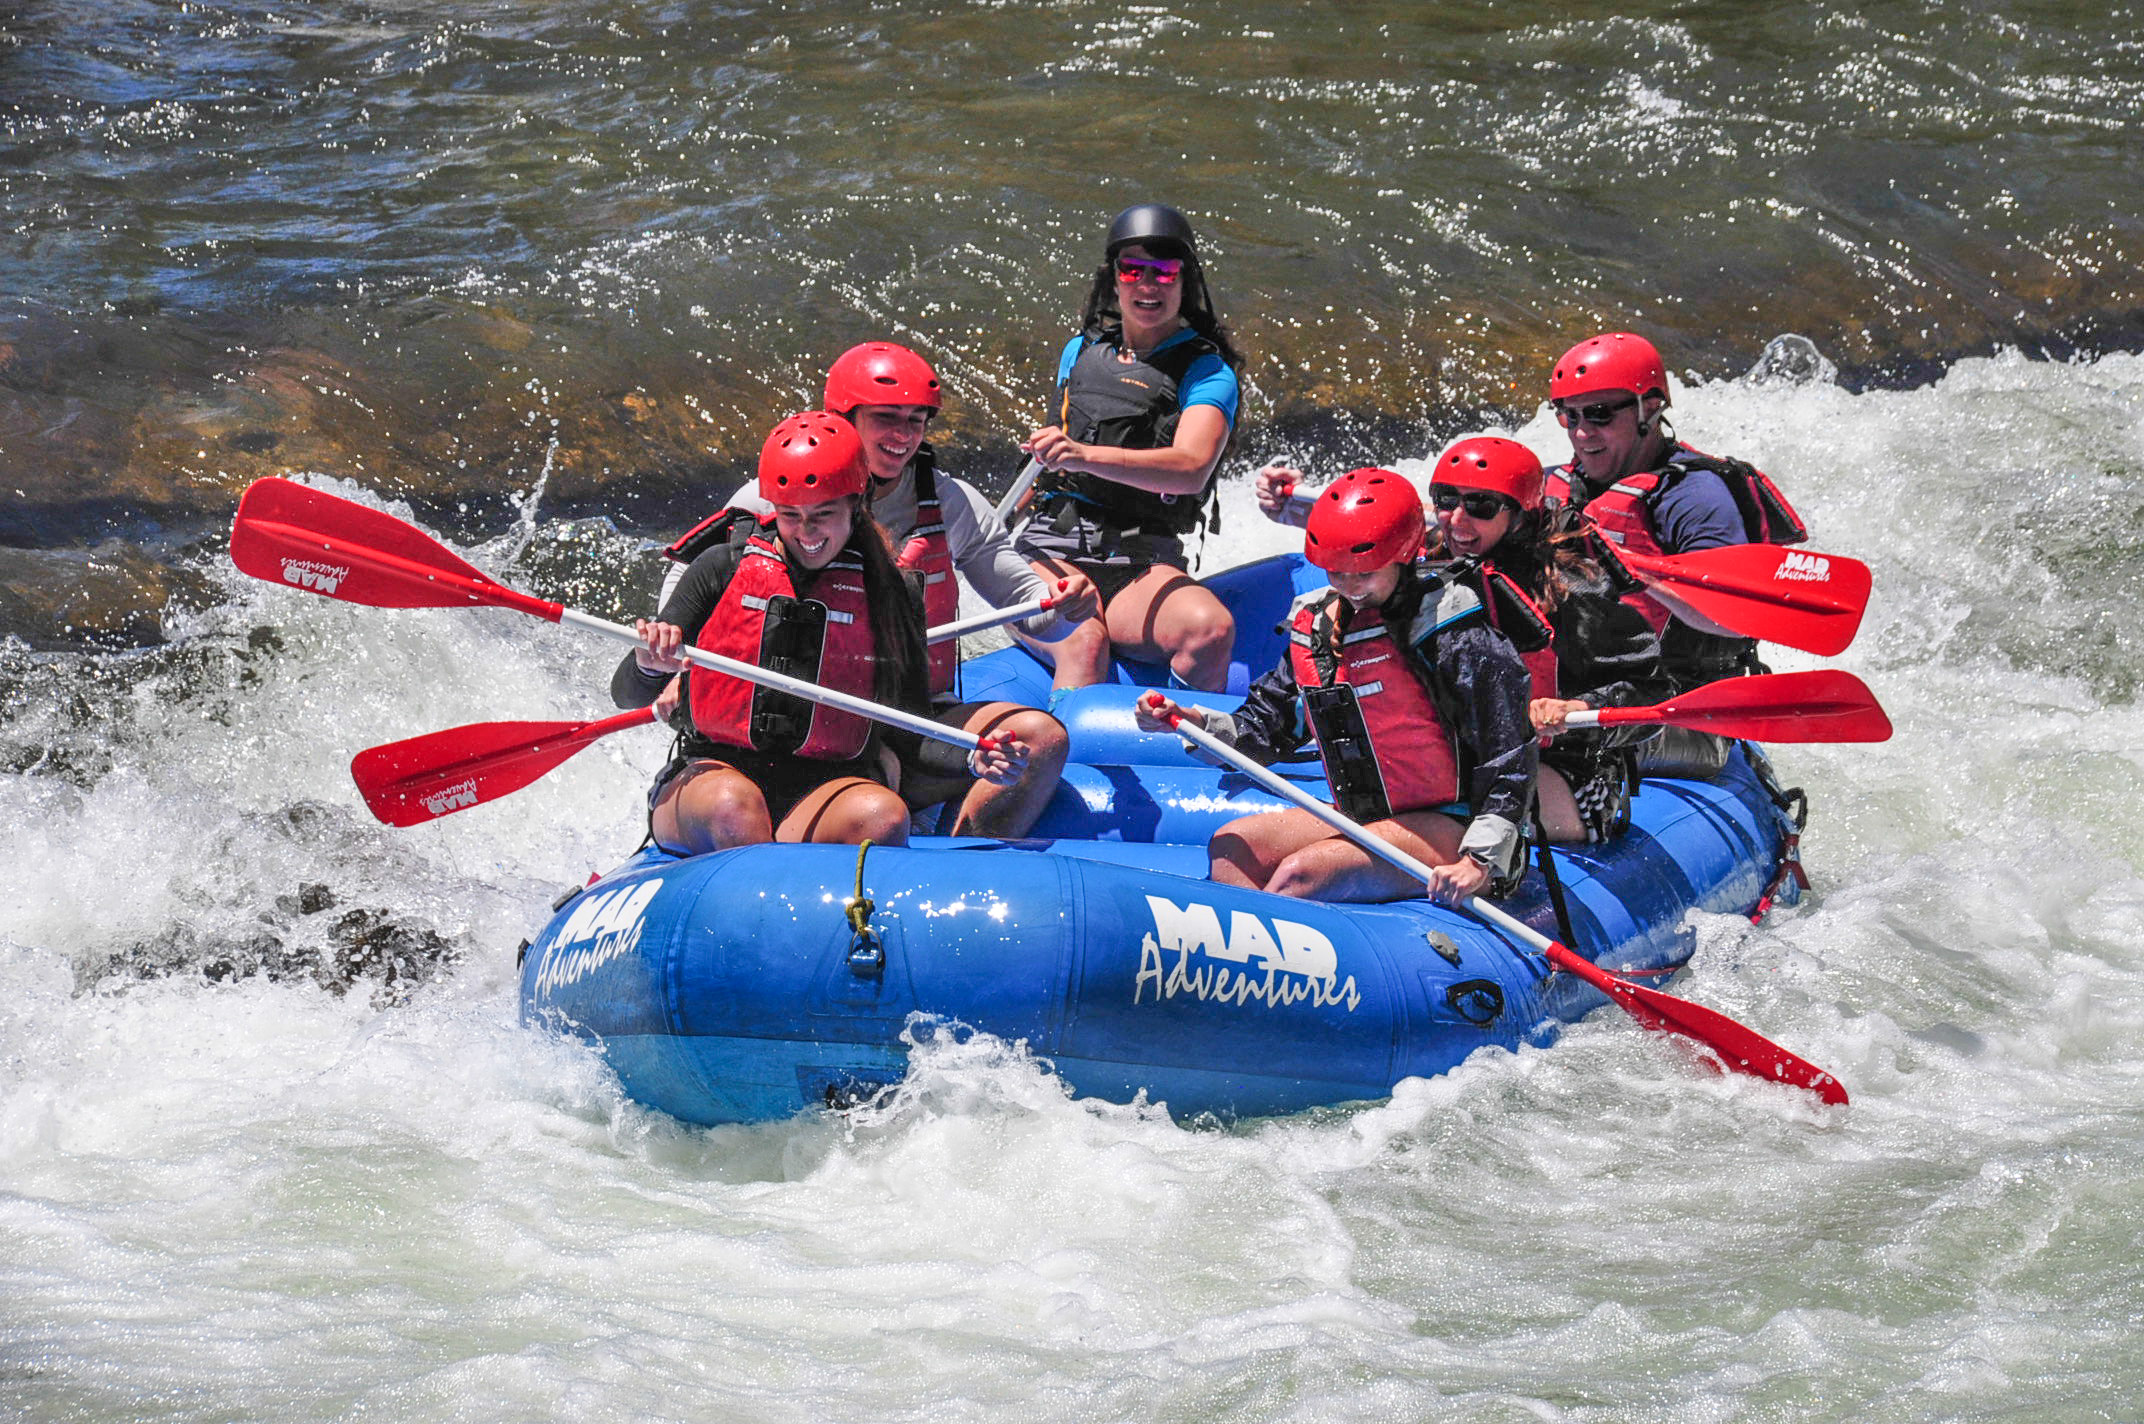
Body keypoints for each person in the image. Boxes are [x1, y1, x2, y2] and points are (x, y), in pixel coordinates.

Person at [692, 342, 1099, 837]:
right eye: (886, 417)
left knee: (1040, 740)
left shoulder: (951, 502)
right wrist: (678, 668)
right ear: (843, 417)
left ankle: (963, 858)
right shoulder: (772, 498)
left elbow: (1033, 612)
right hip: (795, 723)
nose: (903, 435)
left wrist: (1067, 606)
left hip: (912, 713)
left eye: (916, 420)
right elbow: (689, 607)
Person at [613, 412, 1024, 856]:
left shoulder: (892, 591)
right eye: (791, 516)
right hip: (713, 775)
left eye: (823, 515)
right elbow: (626, 693)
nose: (806, 533)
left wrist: (970, 755)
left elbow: (907, 726)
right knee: (736, 808)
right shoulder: (721, 566)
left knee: (883, 816)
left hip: (823, 788)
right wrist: (649, 665)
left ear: (856, 503)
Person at [1137, 469, 1535, 905]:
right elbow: (1269, 727)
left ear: (1403, 554)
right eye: (1337, 573)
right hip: (1367, 814)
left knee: (1299, 875)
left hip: (1454, 824)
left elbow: (1509, 751)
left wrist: (1479, 860)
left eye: (1363, 572)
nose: (1349, 587)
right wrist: (1193, 723)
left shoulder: (1455, 634)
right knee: (1233, 847)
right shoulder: (1320, 629)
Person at [1255, 440, 1670, 844]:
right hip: (1462, 759)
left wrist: (1578, 708)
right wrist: (1290, 505)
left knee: (1467, 799)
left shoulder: (1571, 589)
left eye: (1481, 506)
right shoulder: (1424, 567)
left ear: (1520, 512)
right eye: (1446, 500)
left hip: (1567, 769)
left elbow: (1652, 691)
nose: (1457, 520)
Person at [1541, 331, 1808, 776]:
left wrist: (1636, 572)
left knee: (1542, 740)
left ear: (1649, 406)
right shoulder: (1558, 485)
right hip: (1586, 693)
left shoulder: (1696, 498)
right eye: (1569, 416)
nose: (1583, 432)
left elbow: (1735, 616)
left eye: (1601, 414)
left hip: (1679, 711)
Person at [1011, 202, 1243, 694]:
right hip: (1052, 548)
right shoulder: (1080, 351)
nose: (1148, 284)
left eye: (1164, 271)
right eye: (1133, 269)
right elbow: (1050, 458)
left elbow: (1191, 468)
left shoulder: (1208, 372)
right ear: (1113, 279)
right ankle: (1068, 763)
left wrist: (1082, 454)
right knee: (1085, 640)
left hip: (1142, 560)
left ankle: (1193, 754)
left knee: (1211, 630)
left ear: (1186, 282)